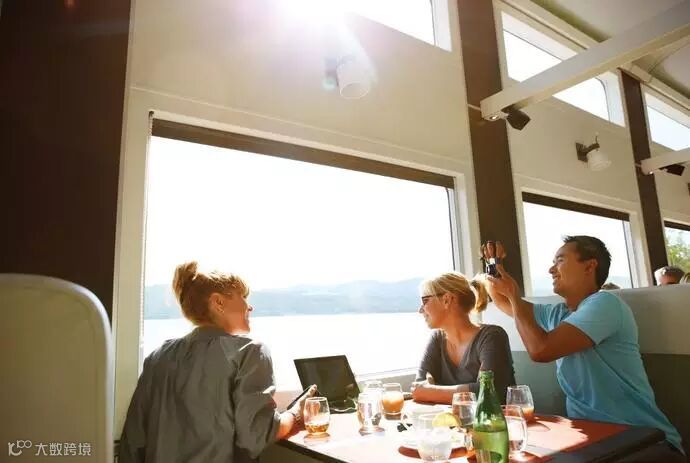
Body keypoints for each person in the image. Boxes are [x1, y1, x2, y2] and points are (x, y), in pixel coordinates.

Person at [483, 237, 684, 461]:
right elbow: (503, 301)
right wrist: (494, 264)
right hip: (593, 439)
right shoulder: (556, 313)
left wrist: (513, 294)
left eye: (560, 260)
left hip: (644, 440)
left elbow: (541, 350)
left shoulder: (605, 304)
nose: (551, 269)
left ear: (589, 266)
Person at [119, 262, 316, 463]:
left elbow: (132, 443)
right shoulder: (249, 352)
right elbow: (256, 436)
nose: (249, 306)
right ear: (218, 302)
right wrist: (296, 414)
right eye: (243, 296)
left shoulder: (158, 356)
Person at [412, 271, 516, 404]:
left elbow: (487, 392)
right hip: (451, 419)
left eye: (425, 301)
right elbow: (420, 387)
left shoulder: (492, 337)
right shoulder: (437, 339)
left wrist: (431, 391)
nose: (420, 310)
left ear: (447, 300)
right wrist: (428, 391)